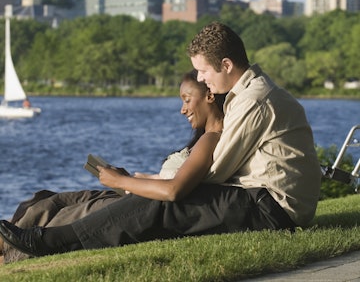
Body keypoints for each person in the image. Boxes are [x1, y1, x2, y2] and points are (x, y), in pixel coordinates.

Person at [0, 22, 322, 259]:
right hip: (265, 201)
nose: (199, 79)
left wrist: (143, 183)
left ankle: (48, 241)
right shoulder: (246, 95)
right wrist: (145, 181)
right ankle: (50, 238)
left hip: (272, 210)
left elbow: (210, 175)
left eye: (203, 71)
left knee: (163, 203)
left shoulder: (253, 100)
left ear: (226, 65)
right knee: (158, 201)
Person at [0, 70, 225, 260]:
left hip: (139, 205)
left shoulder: (211, 138)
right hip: (134, 193)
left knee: (64, 215)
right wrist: (133, 179)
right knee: (47, 199)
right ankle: (6, 240)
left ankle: (11, 252)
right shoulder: (201, 138)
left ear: (209, 96)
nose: (182, 109)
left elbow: (175, 189)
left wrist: (121, 181)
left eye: (187, 100)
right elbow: (178, 178)